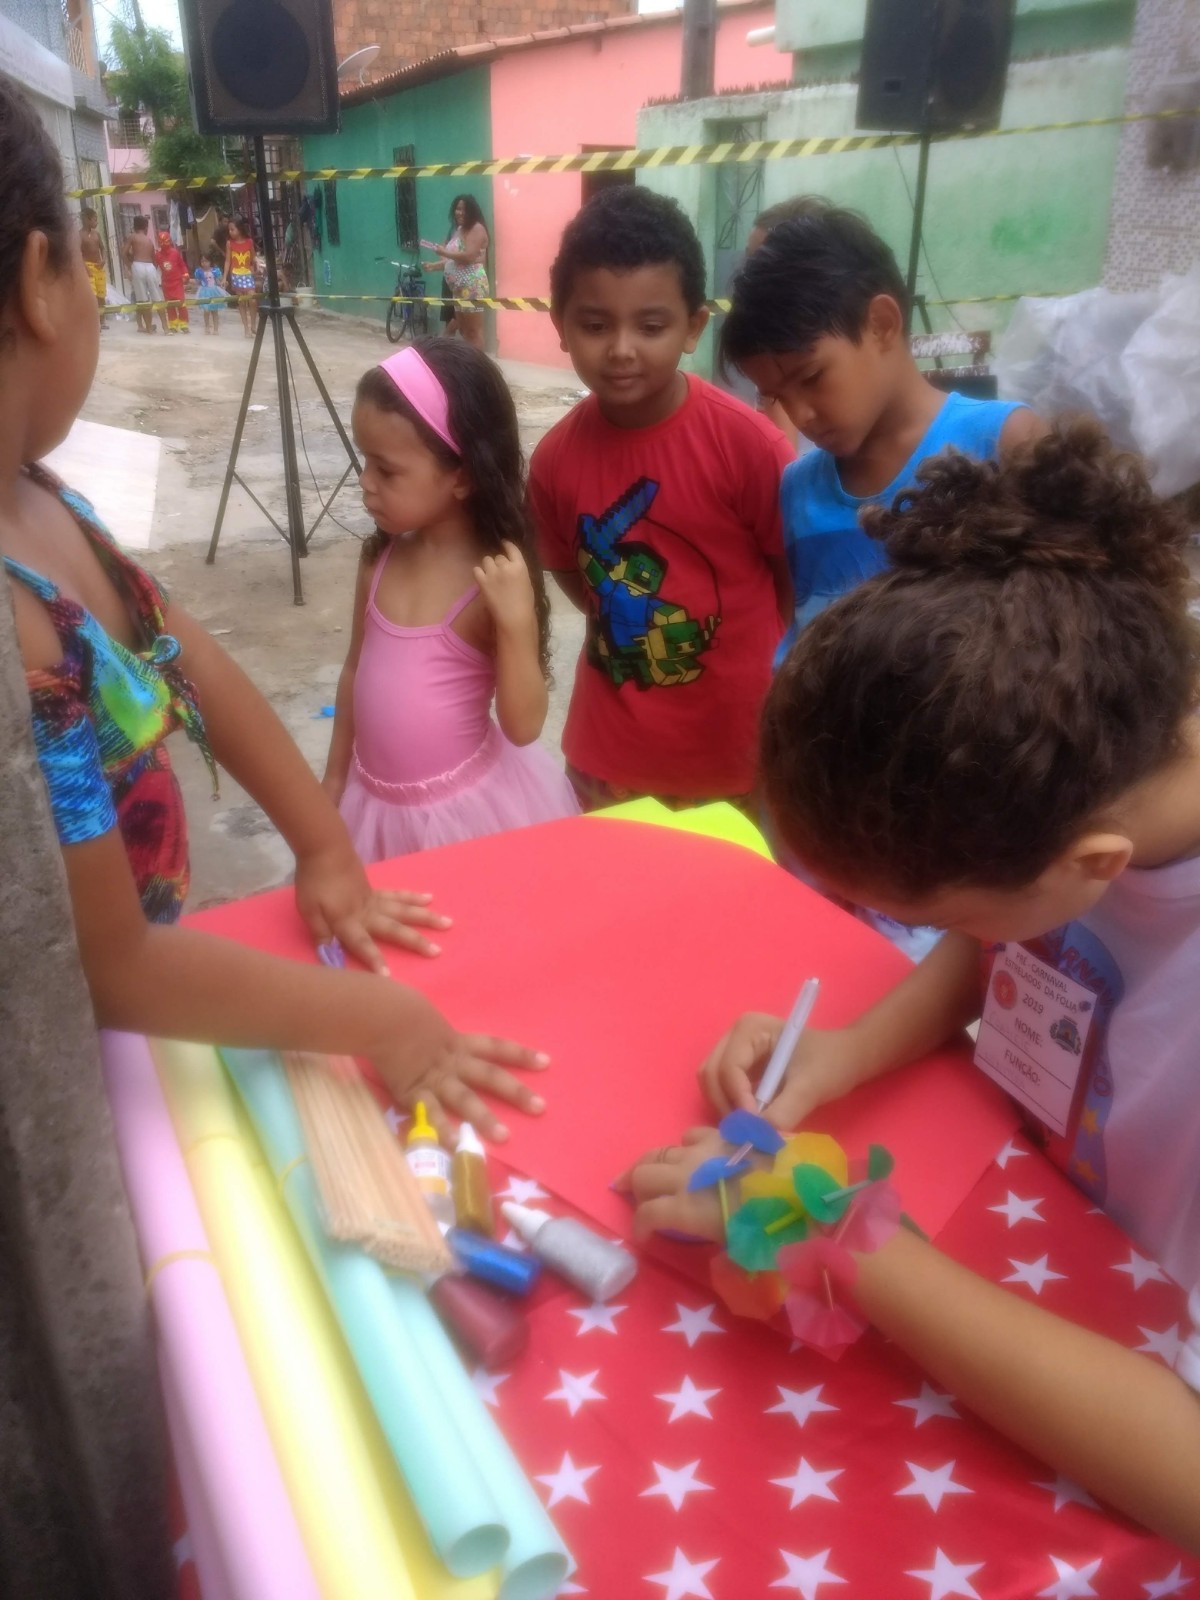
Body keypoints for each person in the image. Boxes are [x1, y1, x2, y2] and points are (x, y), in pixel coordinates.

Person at [620, 422, 1200, 1551]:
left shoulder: (1086, 837)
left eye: (938, 914)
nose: (945, 938)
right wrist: (851, 1048)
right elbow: (1003, 945)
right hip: (1063, 1229)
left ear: (1091, 866)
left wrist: (852, 1242)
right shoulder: (1104, 755)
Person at [0, 74, 545, 1139]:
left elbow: (190, 655)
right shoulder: (17, 620)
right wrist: (379, 1020)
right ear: (39, 282)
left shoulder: (44, 498)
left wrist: (325, 844)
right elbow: (116, 967)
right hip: (78, 1066)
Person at [529, 185, 793, 814]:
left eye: (650, 326)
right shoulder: (554, 460)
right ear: (560, 325)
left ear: (693, 327)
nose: (621, 349)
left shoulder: (749, 446)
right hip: (609, 762)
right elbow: (572, 572)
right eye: (595, 325)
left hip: (736, 761)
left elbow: (791, 581)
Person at [721, 204, 1045, 662]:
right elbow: (801, 637)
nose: (801, 414)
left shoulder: (1005, 442)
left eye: (811, 378)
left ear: (881, 325)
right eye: (777, 396)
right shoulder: (799, 489)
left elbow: (1065, 625)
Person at [323, 338, 578, 859]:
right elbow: (353, 672)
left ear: (461, 475)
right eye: (364, 461)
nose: (364, 482)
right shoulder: (379, 560)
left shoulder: (491, 581)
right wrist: (333, 777)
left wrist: (518, 623)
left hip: (465, 820)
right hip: (372, 810)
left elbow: (524, 726)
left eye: (386, 469)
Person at [423, 195, 490, 350]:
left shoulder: (477, 229)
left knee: (473, 332)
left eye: (464, 210)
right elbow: (454, 261)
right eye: (458, 209)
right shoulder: (459, 230)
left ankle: (478, 363)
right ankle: (470, 361)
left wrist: (444, 252)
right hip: (459, 289)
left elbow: (469, 256)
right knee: (464, 331)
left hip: (472, 287)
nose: (460, 213)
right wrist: (434, 266)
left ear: (472, 211)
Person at [122, 215, 166, 335]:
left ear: (134, 227)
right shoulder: (149, 240)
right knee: (157, 297)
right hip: (150, 266)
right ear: (146, 227)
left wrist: (129, 266)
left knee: (143, 300)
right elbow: (154, 260)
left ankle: (149, 328)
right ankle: (166, 328)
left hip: (137, 265)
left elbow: (123, 252)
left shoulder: (132, 237)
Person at [225, 216, 256, 338]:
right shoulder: (229, 244)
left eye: (232, 229)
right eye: (229, 230)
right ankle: (246, 328)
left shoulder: (249, 242)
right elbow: (228, 261)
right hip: (236, 275)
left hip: (247, 274)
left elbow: (253, 257)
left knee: (252, 299)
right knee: (242, 302)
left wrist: (256, 266)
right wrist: (224, 277)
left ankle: (253, 325)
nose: (230, 232)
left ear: (240, 229)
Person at [155, 230, 189, 333]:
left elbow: (182, 265)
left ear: (169, 241)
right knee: (170, 306)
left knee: (181, 304)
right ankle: (173, 325)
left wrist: (185, 274)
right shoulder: (158, 255)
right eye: (161, 242)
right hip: (166, 284)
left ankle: (184, 324)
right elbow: (154, 267)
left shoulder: (175, 253)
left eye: (166, 241)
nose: (164, 244)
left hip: (177, 282)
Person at [79, 205, 106, 328]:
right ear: (87, 219)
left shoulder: (97, 234)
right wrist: (85, 268)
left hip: (99, 267)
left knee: (101, 295)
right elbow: (78, 253)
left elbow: (103, 248)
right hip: (88, 267)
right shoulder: (79, 235)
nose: (97, 222)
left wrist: (103, 260)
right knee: (92, 296)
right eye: (95, 219)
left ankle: (103, 321)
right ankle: (94, 323)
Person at [193, 253, 223, 335]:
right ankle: (207, 326)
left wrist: (222, 283)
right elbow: (198, 281)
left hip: (214, 291)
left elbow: (218, 280)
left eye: (206, 261)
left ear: (210, 261)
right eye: (202, 261)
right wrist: (191, 282)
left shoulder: (215, 270)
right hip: (204, 292)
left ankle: (216, 329)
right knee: (206, 310)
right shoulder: (199, 271)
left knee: (214, 311)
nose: (204, 263)